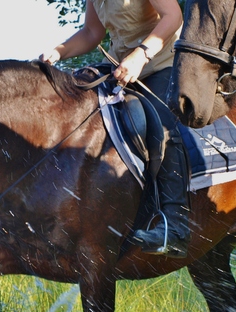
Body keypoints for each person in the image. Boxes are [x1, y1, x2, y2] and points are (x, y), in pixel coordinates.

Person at [40, 0, 190, 258]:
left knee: (157, 126)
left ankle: (175, 227)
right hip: (121, 69)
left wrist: (141, 54)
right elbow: (91, 33)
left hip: (163, 64)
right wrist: (58, 52)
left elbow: (173, 16)